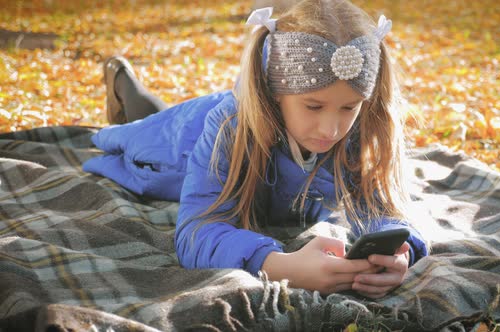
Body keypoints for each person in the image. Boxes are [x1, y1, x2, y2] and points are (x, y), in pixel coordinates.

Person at [83, 0, 428, 299]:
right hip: (180, 149)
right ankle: (121, 79)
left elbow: (386, 207)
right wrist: (278, 265)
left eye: (348, 108)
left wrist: (398, 251)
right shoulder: (227, 127)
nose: (332, 129)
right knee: (141, 132)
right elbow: (196, 232)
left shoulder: (362, 128)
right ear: (275, 93)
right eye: (313, 107)